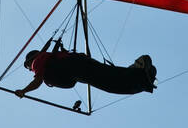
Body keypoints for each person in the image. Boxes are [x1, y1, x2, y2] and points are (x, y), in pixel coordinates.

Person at [15, 39, 157, 97]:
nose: (30, 69)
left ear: (31, 59)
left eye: (28, 66)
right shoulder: (50, 57)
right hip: (78, 68)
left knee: (108, 81)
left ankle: (138, 72)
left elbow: (38, 80)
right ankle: (141, 75)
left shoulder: (38, 61)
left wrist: (24, 91)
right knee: (106, 77)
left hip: (76, 67)